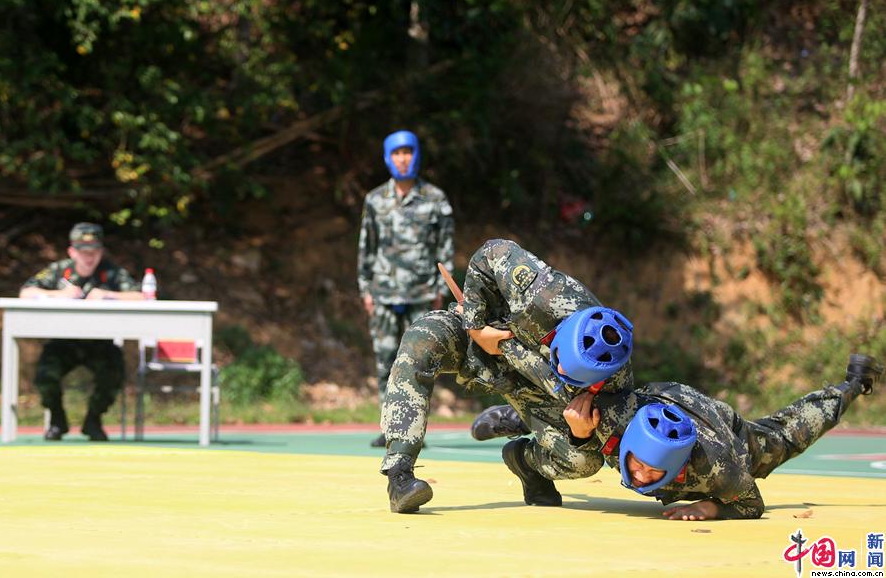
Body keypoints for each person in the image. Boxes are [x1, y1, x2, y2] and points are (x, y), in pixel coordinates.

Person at [380, 238, 635, 513]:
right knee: (421, 342)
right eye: (562, 361)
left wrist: (581, 435)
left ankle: (526, 461)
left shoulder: (615, 383)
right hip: (477, 336)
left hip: (530, 386)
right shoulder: (547, 295)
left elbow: (625, 454)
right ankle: (399, 473)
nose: (562, 370)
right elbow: (491, 251)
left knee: (582, 461)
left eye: (573, 374)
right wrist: (477, 326)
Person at [473, 354, 882, 520]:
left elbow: (751, 502)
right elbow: (576, 392)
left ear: (679, 470)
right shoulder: (615, 417)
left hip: (732, 434)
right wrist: (547, 422)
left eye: (652, 472)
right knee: (580, 421)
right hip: (661, 401)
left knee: (788, 434)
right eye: (637, 463)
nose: (641, 474)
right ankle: (520, 418)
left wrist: (711, 507)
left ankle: (854, 384)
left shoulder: (720, 470)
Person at [357, 130, 454, 447]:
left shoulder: (435, 199)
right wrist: (365, 289)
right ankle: (389, 428)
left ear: (416, 155)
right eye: (396, 153)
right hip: (383, 294)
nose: (403, 158)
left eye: (408, 152)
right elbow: (366, 248)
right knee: (385, 362)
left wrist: (442, 288)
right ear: (388, 158)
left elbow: (446, 249)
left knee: (418, 364)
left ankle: (414, 431)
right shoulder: (374, 200)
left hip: (422, 295)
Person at [19, 222, 144, 441]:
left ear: (100, 251)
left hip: (99, 343)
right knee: (45, 373)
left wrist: (109, 295)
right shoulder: (60, 270)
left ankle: (93, 420)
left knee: (114, 370)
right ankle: (57, 420)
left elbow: (141, 296)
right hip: (64, 342)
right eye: (83, 251)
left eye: (93, 251)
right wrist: (59, 295)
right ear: (72, 251)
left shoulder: (112, 272)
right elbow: (26, 292)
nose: (89, 257)